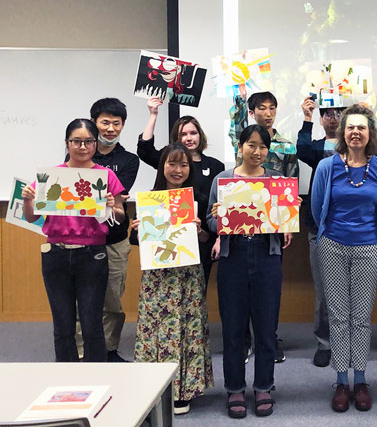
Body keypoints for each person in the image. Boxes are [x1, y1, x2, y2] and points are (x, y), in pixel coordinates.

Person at [22, 119, 125, 362]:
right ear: (67, 143)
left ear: (95, 144)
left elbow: (120, 217)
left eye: (88, 141)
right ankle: (65, 380)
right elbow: (31, 216)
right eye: (76, 141)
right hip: (56, 254)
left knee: (92, 323)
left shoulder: (105, 175)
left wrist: (111, 207)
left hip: (92, 255)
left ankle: (97, 379)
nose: (82, 146)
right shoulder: (52, 177)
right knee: (63, 324)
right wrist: (28, 200)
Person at [207, 125, 293, 419]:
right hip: (233, 256)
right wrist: (219, 217)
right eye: (251, 145)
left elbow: (281, 224)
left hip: (267, 256)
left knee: (267, 326)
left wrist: (287, 219)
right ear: (240, 146)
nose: (257, 152)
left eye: (263, 147)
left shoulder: (276, 182)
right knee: (233, 327)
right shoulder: (224, 179)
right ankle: (234, 388)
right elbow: (210, 222)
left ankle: (263, 386)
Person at [311, 104, 377, 412]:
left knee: (361, 317)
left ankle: (360, 380)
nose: (355, 132)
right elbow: (318, 208)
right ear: (342, 133)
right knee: (338, 316)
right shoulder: (327, 167)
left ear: (369, 133)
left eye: (361, 127)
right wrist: (332, 235)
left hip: (368, 246)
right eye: (350, 127)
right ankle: (341, 381)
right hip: (332, 245)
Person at [130, 143, 213, 415]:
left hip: (187, 275)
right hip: (158, 278)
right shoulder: (150, 199)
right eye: (172, 164)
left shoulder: (197, 197)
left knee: (187, 327)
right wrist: (137, 229)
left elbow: (205, 241)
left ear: (190, 169)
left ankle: (183, 390)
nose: (178, 170)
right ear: (162, 166)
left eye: (184, 165)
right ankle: (152, 387)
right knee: (155, 328)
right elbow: (137, 242)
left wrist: (200, 230)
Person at [230, 90, 298, 363]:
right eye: (261, 108)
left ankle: (268, 338)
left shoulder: (286, 145)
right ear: (253, 111)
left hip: (272, 225)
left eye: (272, 108)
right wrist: (238, 97)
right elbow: (235, 124)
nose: (267, 113)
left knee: (268, 290)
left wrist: (288, 224)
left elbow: (290, 187)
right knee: (241, 286)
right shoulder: (243, 138)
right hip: (241, 220)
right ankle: (245, 340)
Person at [73, 98, 139, 363]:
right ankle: (81, 352)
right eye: (105, 122)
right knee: (83, 299)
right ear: (93, 122)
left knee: (112, 299)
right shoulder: (78, 152)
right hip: (83, 238)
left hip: (114, 237)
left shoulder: (129, 160)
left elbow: (115, 195)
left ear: (122, 125)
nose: (111, 128)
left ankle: (109, 350)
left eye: (116, 123)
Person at [137, 97, 224, 289]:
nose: (189, 138)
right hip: (165, 239)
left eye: (193, 133)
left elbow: (221, 203)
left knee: (195, 291)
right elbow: (144, 150)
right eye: (183, 134)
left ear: (200, 135)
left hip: (200, 239)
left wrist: (217, 235)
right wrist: (153, 114)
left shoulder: (216, 166)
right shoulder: (166, 159)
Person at [296, 95, 343, 368]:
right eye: (327, 113)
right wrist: (306, 118)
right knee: (324, 291)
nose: (332, 117)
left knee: (351, 290)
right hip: (320, 229)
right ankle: (324, 343)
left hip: (350, 228)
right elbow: (301, 149)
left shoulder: (356, 148)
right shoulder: (315, 148)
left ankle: (348, 341)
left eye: (338, 112)